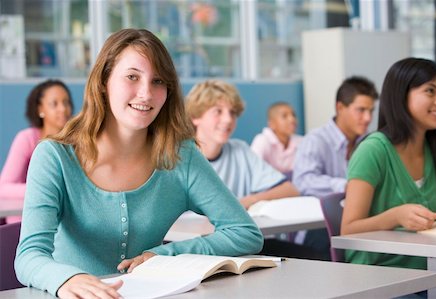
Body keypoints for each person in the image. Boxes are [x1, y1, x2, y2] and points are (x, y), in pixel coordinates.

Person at [15, 29, 263, 299]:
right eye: (132, 77)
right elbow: (29, 256)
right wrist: (67, 280)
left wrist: (163, 254)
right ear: (103, 81)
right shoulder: (55, 156)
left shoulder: (180, 156)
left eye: (158, 81)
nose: (146, 93)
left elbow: (245, 233)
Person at [341, 57, 436, 271]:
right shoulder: (373, 150)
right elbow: (348, 229)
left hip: (434, 271)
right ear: (401, 96)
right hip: (381, 274)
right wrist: (396, 216)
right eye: (430, 91)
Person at [292, 76, 378, 259]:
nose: (368, 118)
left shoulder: (370, 143)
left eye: (371, 111)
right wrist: (347, 186)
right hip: (317, 228)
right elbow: (303, 182)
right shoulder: (315, 140)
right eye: (361, 110)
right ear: (340, 107)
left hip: (357, 223)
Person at [185, 79, 299, 210]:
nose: (228, 119)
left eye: (232, 112)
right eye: (218, 111)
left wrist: (250, 200)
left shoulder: (240, 150)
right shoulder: (178, 158)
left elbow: (290, 190)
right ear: (195, 117)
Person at [0, 79, 73, 223]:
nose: (63, 109)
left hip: (63, 222)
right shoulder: (27, 139)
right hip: (25, 221)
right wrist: (44, 189)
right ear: (40, 109)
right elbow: (3, 187)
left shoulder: (76, 141)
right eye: (54, 104)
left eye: (66, 102)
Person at [251, 101, 303, 180]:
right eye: (284, 116)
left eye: (293, 115)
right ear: (272, 124)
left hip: (294, 187)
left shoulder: (302, 141)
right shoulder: (262, 140)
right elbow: (252, 171)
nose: (292, 119)